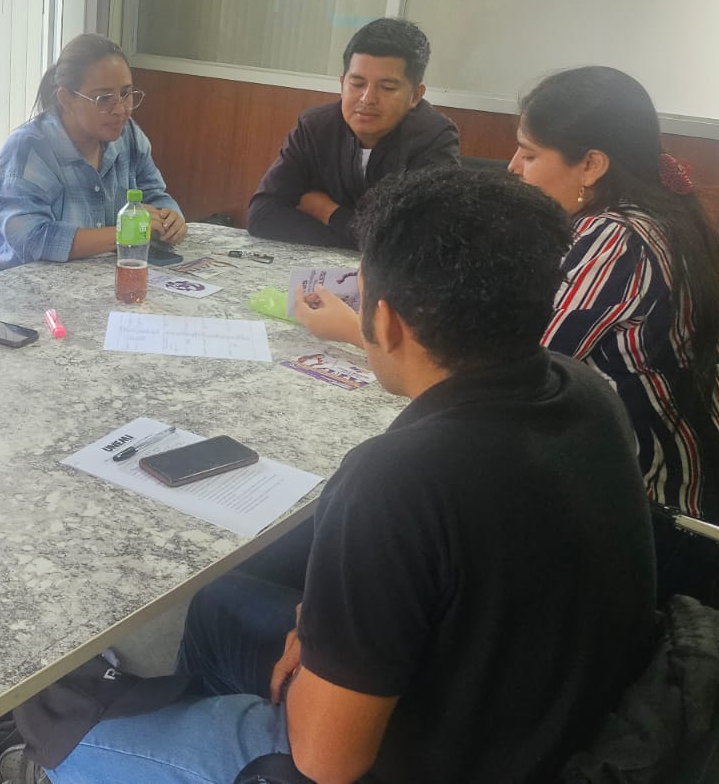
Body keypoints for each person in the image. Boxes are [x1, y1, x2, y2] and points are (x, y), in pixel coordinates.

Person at [44, 166, 658, 783]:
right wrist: (323, 626)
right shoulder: (587, 392)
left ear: (384, 321)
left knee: (60, 728)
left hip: (411, 763)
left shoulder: (396, 481)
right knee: (214, 605)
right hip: (550, 723)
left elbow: (327, 761)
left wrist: (318, 649)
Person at [301, 67, 719, 597]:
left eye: (529, 153)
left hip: (664, 527)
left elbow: (502, 376)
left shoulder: (617, 240)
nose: (512, 167)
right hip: (696, 501)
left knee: (408, 512)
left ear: (591, 164)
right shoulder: (654, 212)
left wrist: (360, 330)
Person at [0, 34, 185, 279]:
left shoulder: (128, 134)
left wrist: (169, 217)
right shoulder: (28, 150)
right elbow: (33, 240)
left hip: (90, 278)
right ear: (67, 99)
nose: (121, 109)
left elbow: (153, 194)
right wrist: (125, 231)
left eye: (126, 93)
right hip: (11, 284)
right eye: (104, 99)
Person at [246, 18, 459, 249]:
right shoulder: (315, 127)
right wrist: (362, 238)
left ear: (415, 96)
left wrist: (329, 212)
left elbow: (423, 241)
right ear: (342, 84)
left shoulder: (434, 138)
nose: (367, 98)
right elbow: (262, 215)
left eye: (387, 87)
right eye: (357, 84)